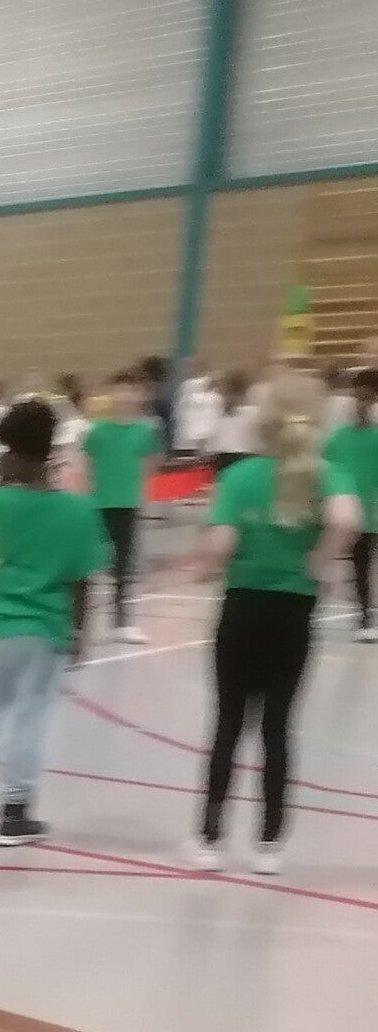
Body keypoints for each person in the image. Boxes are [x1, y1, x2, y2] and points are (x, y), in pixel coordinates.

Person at [189, 369, 361, 873]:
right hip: (293, 611)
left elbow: (221, 543)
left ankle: (209, 839)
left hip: (242, 607)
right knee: (278, 726)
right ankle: (270, 845)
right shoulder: (327, 474)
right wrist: (319, 562)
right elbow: (346, 520)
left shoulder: (240, 476)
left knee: (228, 721)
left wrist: (205, 566)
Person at [0, 399, 110, 846]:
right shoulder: (80, 511)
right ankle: (15, 813)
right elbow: (83, 581)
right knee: (29, 719)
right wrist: (80, 632)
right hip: (46, 627)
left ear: (10, 454)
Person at [81, 370, 159, 644]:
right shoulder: (97, 431)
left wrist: (140, 496)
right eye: (119, 390)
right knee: (87, 564)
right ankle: (78, 624)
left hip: (128, 505)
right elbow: (86, 466)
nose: (124, 396)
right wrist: (86, 498)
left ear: (139, 395)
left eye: (130, 390)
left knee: (124, 567)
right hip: (98, 505)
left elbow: (148, 466)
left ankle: (122, 624)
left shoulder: (144, 432)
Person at [323, 367, 378, 641]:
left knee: (362, 566)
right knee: (348, 563)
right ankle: (363, 617)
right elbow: (323, 468)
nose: (361, 404)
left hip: (370, 510)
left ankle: (365, 616)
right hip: (346, 513)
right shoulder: (338, 436)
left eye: (367, 398)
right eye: (358, 398)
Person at [208, 371, 259, 475]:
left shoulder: (218, 409)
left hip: (222, 454)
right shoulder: (253, 412)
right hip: (245, 454)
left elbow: (212, 433)